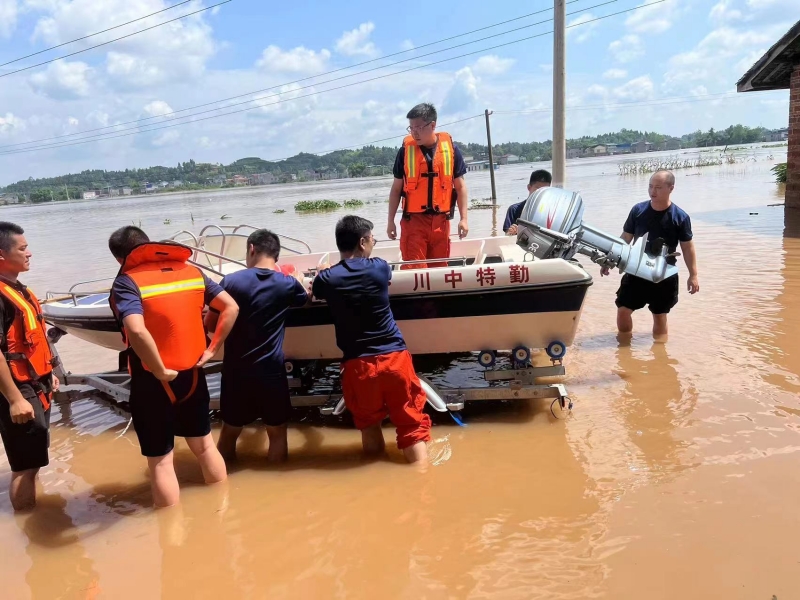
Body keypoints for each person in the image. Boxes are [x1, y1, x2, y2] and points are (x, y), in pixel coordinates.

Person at [108, 226, 239, 508]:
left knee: (161, 462)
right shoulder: (192, 272)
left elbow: (137, 331)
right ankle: (223, 510)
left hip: (153, 380)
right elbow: (231, 307)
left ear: (121, 258)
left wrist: (158, 369)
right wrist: (212, 349)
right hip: (192, 374)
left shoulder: (127, 281)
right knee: (204, 447)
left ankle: (171, 535)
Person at [312, 216, 431, 464]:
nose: (373, 243)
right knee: (411, 427)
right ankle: (422, 481)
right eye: (372, 239)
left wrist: (324, 271)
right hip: (394, 358)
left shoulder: (327, 279)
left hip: (358, 365)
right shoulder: (378, 267)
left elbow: (317, 289)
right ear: (363, 241)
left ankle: (374, 475)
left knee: (369, 425)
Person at [205, 229, 308, 463]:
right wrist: (299, 282)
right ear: (276, 255)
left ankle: (222, 482)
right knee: (277, 433)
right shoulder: (288, 284)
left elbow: (210, 324)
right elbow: (305, 298)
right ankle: (275, 484)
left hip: (236, 372)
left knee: (230, 432)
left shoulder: (231, 282)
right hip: (271, 371)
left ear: (251, 248)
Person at [0, 222, 60, 511]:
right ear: (2, 255)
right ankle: (28, 528)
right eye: (23, 249)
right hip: (18, 390)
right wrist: (14, 399)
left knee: (34, 460)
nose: (30, 254)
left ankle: (35, 521)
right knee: (25, 466)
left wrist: (51, 373)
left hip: (37, 383)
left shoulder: (18, 289)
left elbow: (34, 338)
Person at [601, 170, 700, 338]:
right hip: (636, 269)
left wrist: (693, 275)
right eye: (650, 186)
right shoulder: (638, 210)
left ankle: (660, 355)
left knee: (660, 315)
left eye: (658, 187)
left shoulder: (680, 217)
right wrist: (609, 260)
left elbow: (687, 247)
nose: (653, 191)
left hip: (663, 273)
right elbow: (625, 238)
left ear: (671, 188)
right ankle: (624, 344)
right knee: (623, 309)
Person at [387, 103, 469, 268]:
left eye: (418, 127)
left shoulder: (451, 149)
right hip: (414, 223)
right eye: (411, 128)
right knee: (416, 272)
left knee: (439, 271)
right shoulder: (405, 151)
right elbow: (396, 190)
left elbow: (460, 188)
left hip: (441, 222)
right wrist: (390, 221)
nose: (414, 132)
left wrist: (464, 219)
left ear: (432, 125)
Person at [503, 169, 553, 235]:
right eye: (538, 189)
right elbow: (507, 235)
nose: (541, 193)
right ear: (529, 187)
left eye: (545, 190)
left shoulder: (551, 210)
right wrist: (511, 232)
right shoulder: (514, 210)